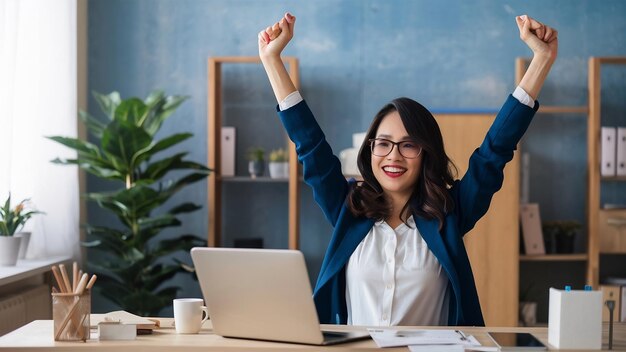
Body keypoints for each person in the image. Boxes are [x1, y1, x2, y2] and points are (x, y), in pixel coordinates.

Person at [258, 13, 557, 327]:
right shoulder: (348, 209)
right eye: (383, 143)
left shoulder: (451, 215)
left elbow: (493, 154)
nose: (393, 156)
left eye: (408, 145)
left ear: (426, 153)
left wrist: (541, 59)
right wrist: (272, 59)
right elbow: (311, 147)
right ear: (370, 149)